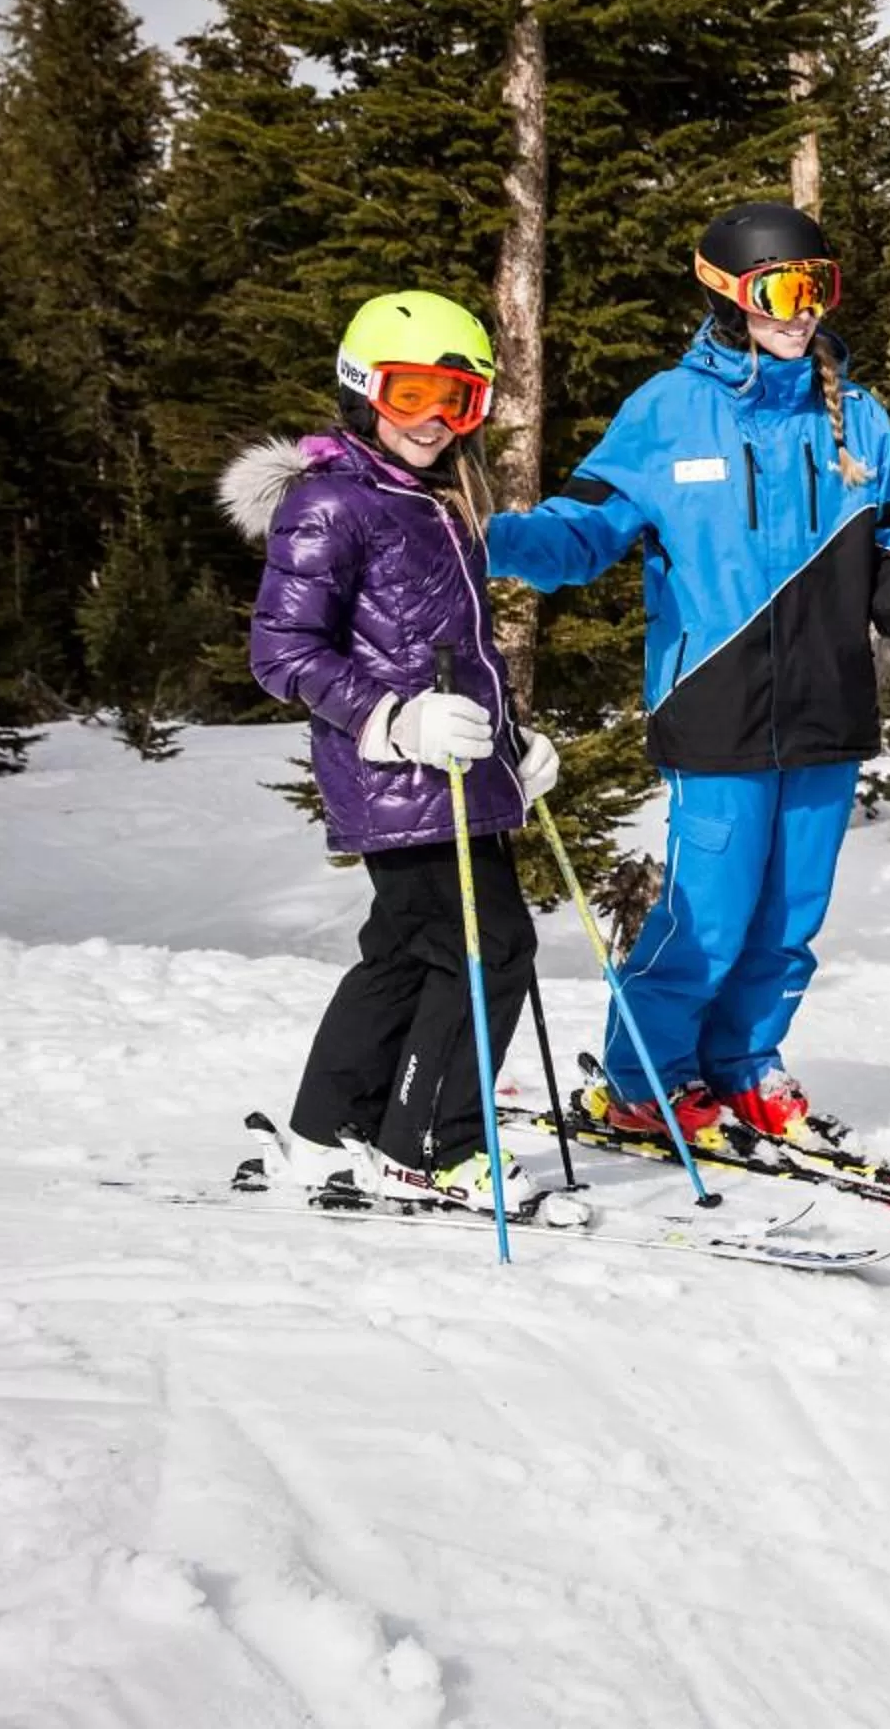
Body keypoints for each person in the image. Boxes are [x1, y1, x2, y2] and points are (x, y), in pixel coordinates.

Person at [487, 203, 890, 1147]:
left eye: (817, 288)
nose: (801, 311)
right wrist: (488, 536)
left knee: (789, 919)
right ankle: (645, 1077)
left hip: (828, 704)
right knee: (708, 917)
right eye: (780, 290)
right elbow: (581, 535)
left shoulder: (859, 416)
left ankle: (744, 1064)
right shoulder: (668, 408)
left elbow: (887, 541)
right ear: (730, 295)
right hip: (715, 704)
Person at [219, 289, 561, 1211]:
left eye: (461, 400)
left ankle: (326, 1133)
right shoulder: (334, 504)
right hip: (394, 779)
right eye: (413, 395)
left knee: (409, 955)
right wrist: (394, 723)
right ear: (364, 391)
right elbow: (282, 653)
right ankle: (435, 1149)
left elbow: (454, 652)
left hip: (455, 777)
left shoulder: (438, 505)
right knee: (492, 949)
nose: (436, 421)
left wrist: (511, 740)